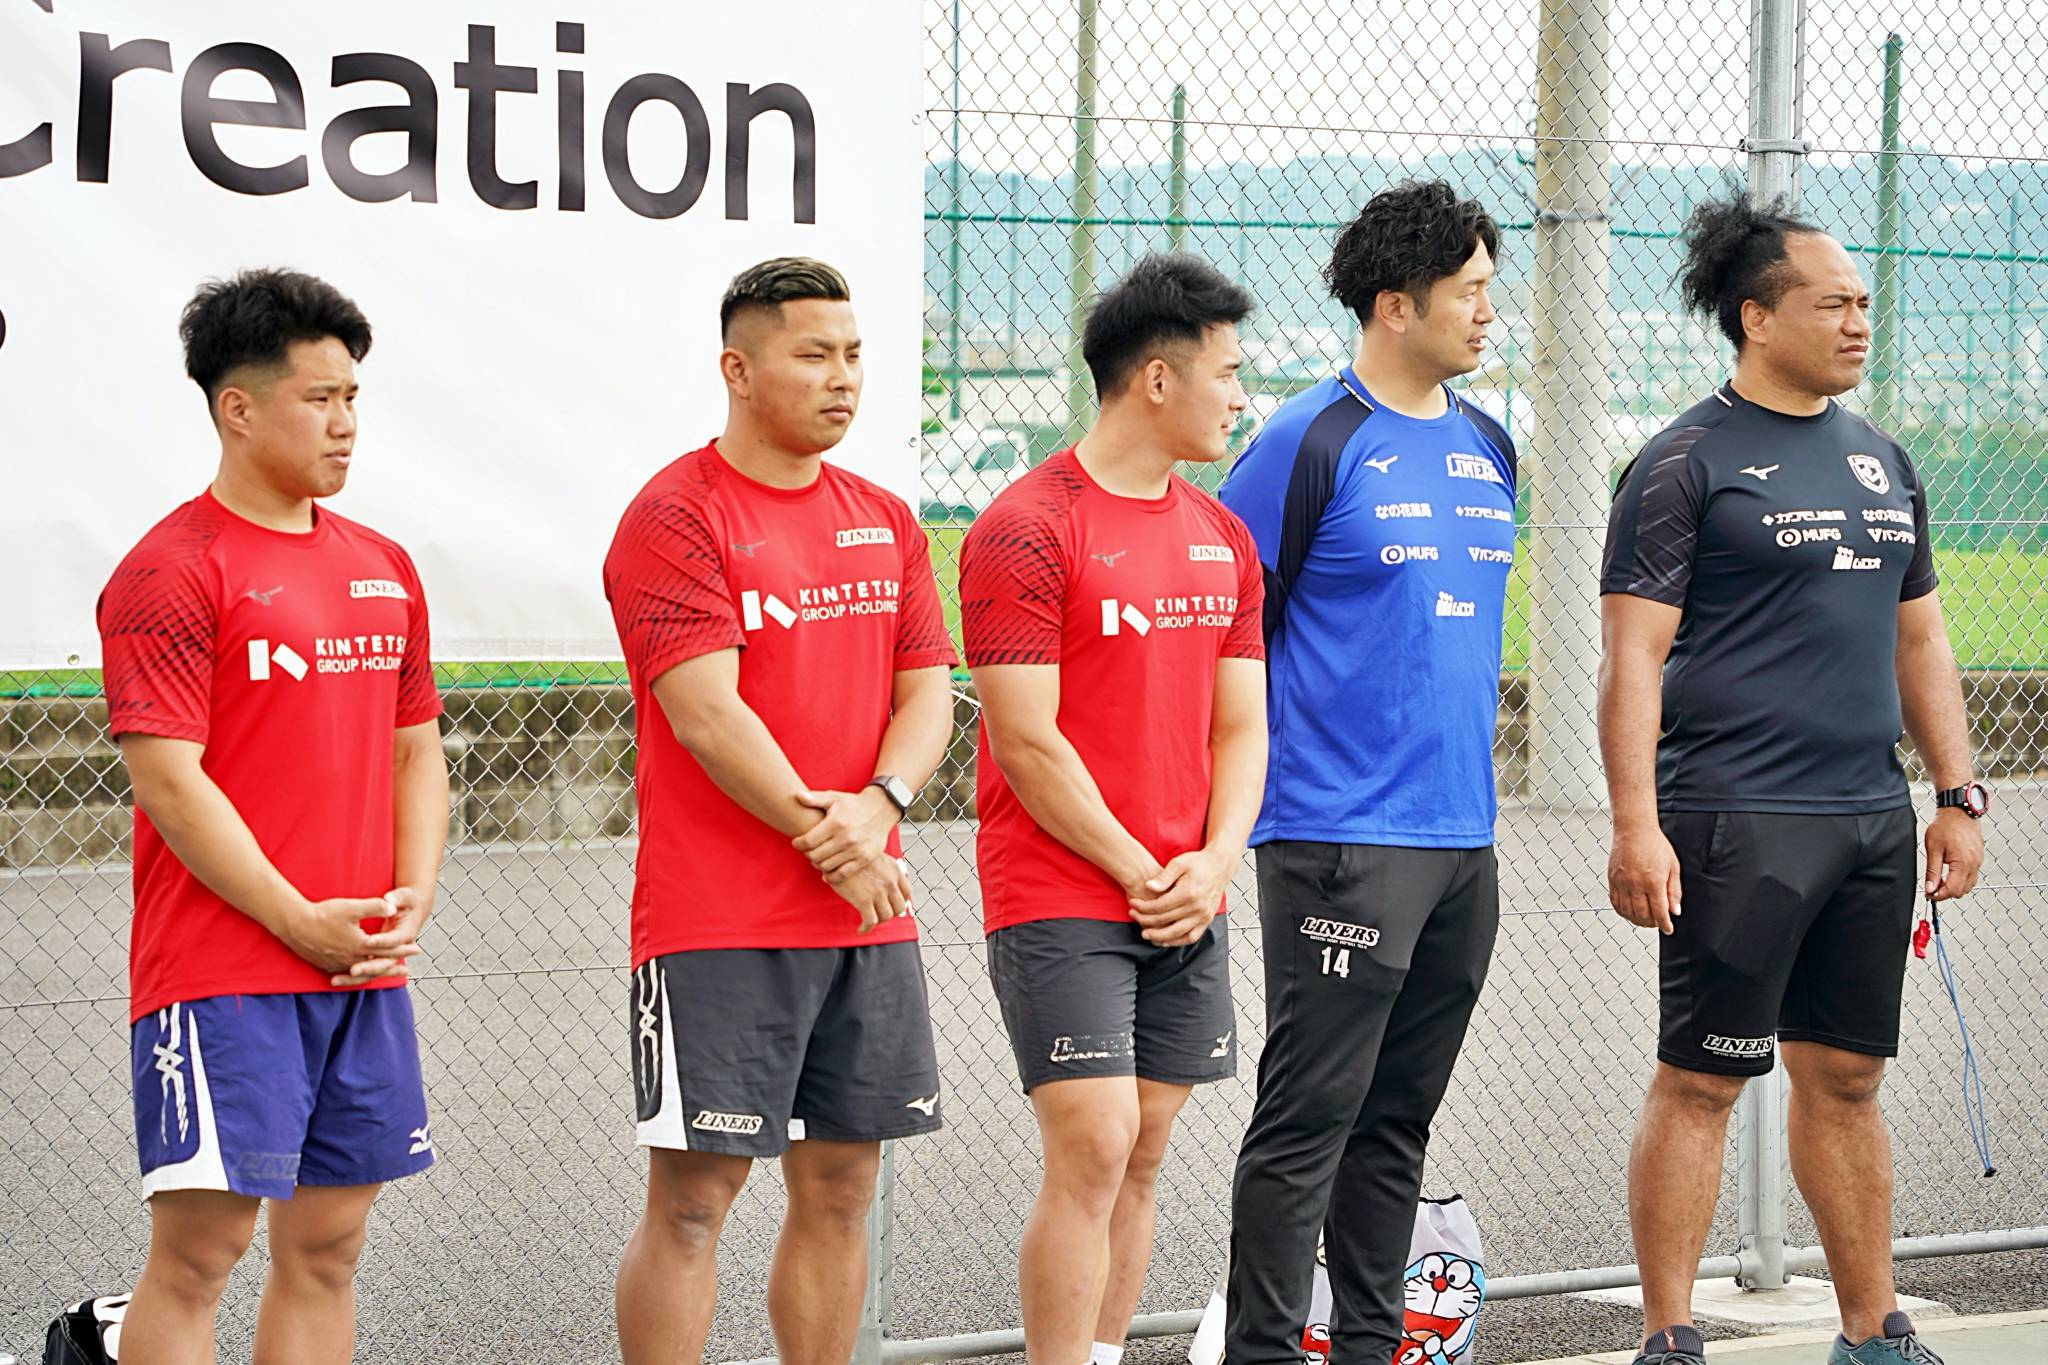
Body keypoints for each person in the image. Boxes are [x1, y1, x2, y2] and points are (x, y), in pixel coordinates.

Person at [1599, 193, 1985, 1365]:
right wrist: (1634, 825)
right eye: (1831, 304)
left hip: (1867, 820)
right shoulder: (1682, 463)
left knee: (1849, 1078)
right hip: (1733, 821)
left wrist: (1954, 793)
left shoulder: (1881, 460)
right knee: (1700, 1082)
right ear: (1754, 316)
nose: (1857, 322)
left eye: (1861, 303)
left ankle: (1871, 1333)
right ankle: (1669, 1337)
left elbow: (1918, 638)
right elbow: (1630, 658)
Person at [603, 257, 958, 1365]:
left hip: (865, 911)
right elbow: (707, 713)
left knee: (844, 1184)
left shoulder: (883, 519)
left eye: (852, 354)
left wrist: (880, 806)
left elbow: (927, 695)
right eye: (813, 355)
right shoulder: (675, 514)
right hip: (718, 919)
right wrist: (836, 837)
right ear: (738, 370)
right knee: (695, 1198)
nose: (842, 377)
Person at [99, 269, 449, 1365]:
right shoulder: (170, 570)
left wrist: (412, 897)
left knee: (329, 1250)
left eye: (352, 398)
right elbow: (169, 781)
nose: (345, 423)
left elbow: (415, 751)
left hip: (360, 969)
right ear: (237, 408)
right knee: (199, 1258)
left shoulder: (382, 565)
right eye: (318, 398)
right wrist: (297, 918)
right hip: (224, 971)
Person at [1217, 179, 1516, 1365]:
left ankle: (1368, 1346)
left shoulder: (1488, 444)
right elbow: (1227, 640)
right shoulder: (1305, 442)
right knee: (1308, 1119)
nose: (1487, 312)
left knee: (1395, 1125)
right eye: (1468, 292)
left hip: (1462, 844)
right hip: (1337, 837)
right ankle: (1259, 1349)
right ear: (1396, 304)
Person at [958, 252, 1268, 1365]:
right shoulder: (1026, 526)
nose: (1241, 398)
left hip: (1188, 891)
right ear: (1156, 378)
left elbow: (1242, 729)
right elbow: (1026, 739)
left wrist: (1213, 862)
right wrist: (1140, 868)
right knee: (1093, 1141)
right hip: (1062, 888)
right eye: (1228, 373)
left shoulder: (1222, 537)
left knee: (1142, 1151)